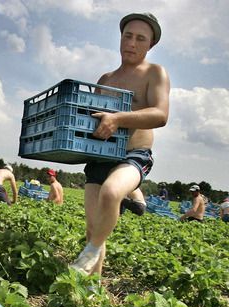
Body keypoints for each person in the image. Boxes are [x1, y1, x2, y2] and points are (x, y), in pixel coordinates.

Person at [70, 12, 170, 276]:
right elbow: (91, 119)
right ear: (121, 38)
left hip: (133, 155)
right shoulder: (105, 79)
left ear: (150, 45)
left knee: (113, 193)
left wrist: (118, 119)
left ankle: (90, 251)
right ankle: (92, 289)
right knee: (94, 228)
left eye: (140, 38)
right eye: (128, 36)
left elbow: (160, 115)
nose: (132, 43)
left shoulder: (154, 73)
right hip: (100, 157)